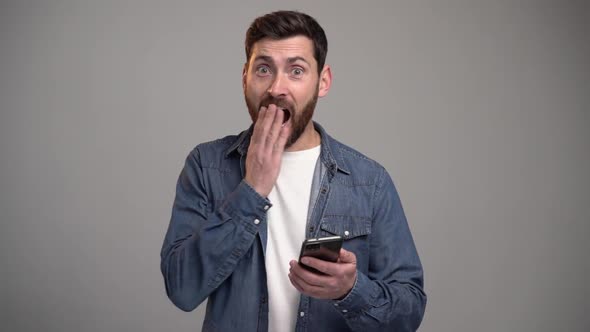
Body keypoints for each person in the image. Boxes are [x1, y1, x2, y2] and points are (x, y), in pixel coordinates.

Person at [160, 10, 426, 332]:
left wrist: (351, 291)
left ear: (322, 81)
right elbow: (181, 288)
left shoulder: (370, 182)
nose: (276, 88)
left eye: (296, 71)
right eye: (263, 69)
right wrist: (252, 189)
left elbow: (408, 311)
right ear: (245, 76)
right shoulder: (206, 165)